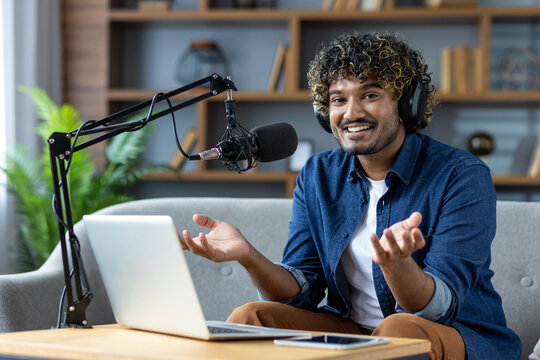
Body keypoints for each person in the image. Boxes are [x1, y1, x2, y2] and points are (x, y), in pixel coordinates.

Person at [178, 32, 521, 360]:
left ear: (406, 103)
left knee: (398, 328)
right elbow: (303, 292)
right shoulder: (318, 175)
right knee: (250, 316)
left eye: (370, 95)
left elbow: (437, 309)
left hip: (450, 333)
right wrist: (248, 255)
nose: (351, 113)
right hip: (353, 328)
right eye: (339, 99)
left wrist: (397, 266)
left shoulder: (461, 175)